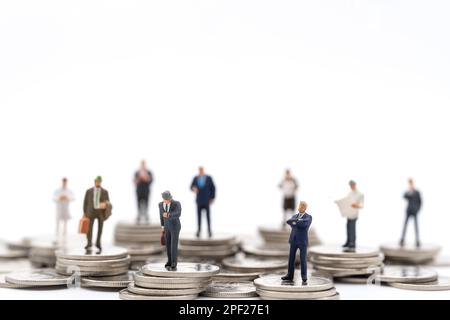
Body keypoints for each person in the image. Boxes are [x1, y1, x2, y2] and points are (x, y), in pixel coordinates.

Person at [281, 201, 312, 284]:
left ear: (305, 208)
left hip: (302, 241)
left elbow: (304, 225)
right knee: (291, 258)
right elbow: (289, 222)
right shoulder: (294, 216)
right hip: (293, 240)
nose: (299, 207)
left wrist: (296, 222)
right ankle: (290, 275)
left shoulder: (308, 217)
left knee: (303, 259)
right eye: (299, 206)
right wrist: (297, 221)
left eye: (302, 206)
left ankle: (304, 276)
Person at [83, 176, 112, 253]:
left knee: (100, 229)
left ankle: (98, 243)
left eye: (99, 181)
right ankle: (89, 243)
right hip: (90, 212)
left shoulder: (105, 192)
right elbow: (85, 202)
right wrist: (84, 213)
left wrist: (105, 204)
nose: (98, 183)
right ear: (95, 181)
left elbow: (108, 202)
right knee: (89, 229)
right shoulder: (88, 191)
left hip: (100, 213)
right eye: (97, 181)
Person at [159, 191, 181, 271]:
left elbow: (178, 213)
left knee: (173, 245)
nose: (168, 200)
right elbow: (161, 216)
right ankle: (169, 261)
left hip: (175, 226)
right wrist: (162, 227)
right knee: (168, 245)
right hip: (166, 227)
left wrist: (169, 214)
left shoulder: (176, 203)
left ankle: (174, 263)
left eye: (169, 198)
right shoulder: (160, 205)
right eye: (166, 199)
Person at [190, 167, 216, 238]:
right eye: (199, 170)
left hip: (207, 200)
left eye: (202, 170)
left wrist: (212, 197)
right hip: (199, 200)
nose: (201, 171)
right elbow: (191, 186)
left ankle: (209, 230)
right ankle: (198, 230)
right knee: (199, 216)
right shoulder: (196, 178)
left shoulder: (208, 178)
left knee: (208, 216)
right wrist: (193, 188)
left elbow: (213, 188)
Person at [340, 180, 364, 252]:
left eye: (352, 185)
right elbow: (347, 201)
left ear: (355, 185)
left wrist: (357, 205)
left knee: (352, 228)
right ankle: (348, 241)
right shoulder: (350, 193)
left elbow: (362, 205)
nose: (352, 186)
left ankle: (352, 243)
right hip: (348, 213)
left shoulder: (360, 194)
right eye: (350, 185)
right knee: (348, 228)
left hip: (354, 213)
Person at [400, 178, 422, 248]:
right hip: (408, 211)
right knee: (405, 225)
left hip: (414, 211)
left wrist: (418, 209)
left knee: (416, 226)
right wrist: (409, 190)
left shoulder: (417, 192)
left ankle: (417, 240)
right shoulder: (408, 191)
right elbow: (404, 196)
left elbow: (420, 202)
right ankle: (402, 240)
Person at [53, 177, 75, 242]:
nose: (64, 183)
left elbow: (73, 197)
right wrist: (59, 197)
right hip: (59, 208)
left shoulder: (69, 191)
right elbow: (54, 197)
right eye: (63, 182)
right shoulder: (57, 190)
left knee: (65, 224)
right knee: (58, 223)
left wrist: (67, 197)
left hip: (66, 208)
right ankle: (56, 237)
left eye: (65, 182)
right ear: (62, 182)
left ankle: (64, 238)